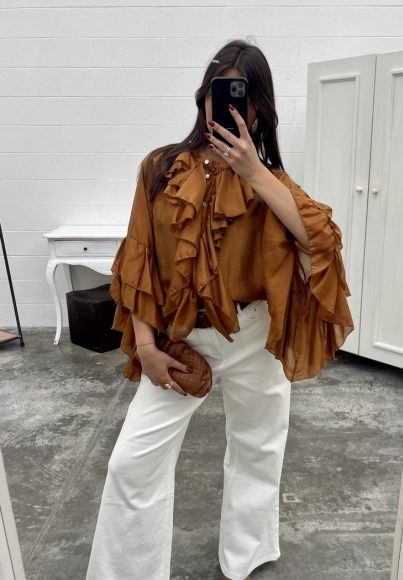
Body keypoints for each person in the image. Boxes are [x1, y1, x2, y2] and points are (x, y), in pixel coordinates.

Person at [85, 39, 354, 580]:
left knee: (258, 450)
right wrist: (144, 346)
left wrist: (255, 173)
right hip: (180, 340)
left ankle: (246, 557)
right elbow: (139, 258)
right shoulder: (160, 168)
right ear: (204, 96)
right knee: (131, 462)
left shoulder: (270, 181)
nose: (229, 104)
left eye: (244, 95)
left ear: (260, 108)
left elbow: (321, 241)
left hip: (254, 337)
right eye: (220, 91)